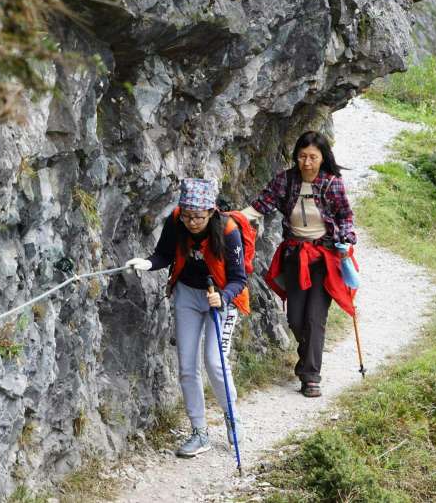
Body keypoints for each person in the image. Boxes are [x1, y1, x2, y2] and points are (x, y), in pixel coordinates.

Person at [126, 178, 248, 458]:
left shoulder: (228, 231)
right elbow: (163, 255)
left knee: (215, 363)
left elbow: (239, 278)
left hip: (220, 298)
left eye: (199, 217)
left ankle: (232, 419)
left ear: (211, 213)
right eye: (189, 216)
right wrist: (146, 264)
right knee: (187, 366)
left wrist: (224, 297)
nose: (193, 222)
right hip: (187, 295)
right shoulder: (176, 221)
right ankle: (199, 432)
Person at [241, 131, 357, 398]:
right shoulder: (286, 180)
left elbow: (345, 217)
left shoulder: (332, 183)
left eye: (313, 157)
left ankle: (310, 375)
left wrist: (347, 240)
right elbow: (262, 205)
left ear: (322, 157)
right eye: (302, 156)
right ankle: (307, 358)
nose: (307, 162)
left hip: (324, 257)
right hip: (294, 255)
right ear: (296, 156)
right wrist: (235, 217)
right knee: (295, 318)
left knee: (315, 318)